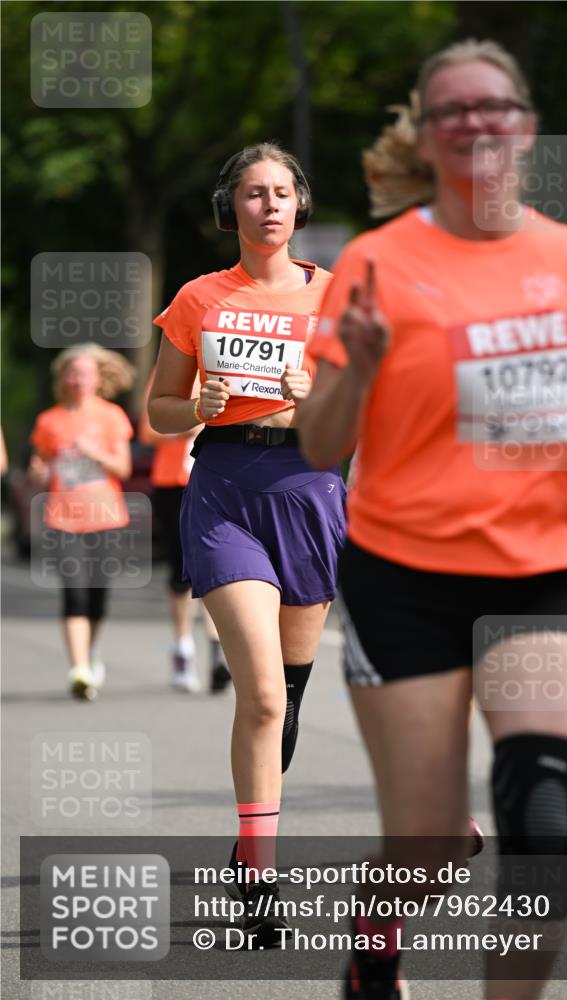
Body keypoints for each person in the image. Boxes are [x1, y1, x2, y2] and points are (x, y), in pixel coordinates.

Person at [298, 38, 567, 1000]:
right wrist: (366, 366)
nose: (475, 122)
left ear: (526, 126)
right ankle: (375, 940)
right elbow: (316, 444)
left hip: (541, 575)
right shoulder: (377, 263)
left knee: (541, 832)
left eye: (492, 106)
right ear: (425, 136)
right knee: (422, 839)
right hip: (403, 580)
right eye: (451, 110)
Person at [148, 142, 347, 944]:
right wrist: (198, 402)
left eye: (282, 193)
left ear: (299, 206)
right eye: (253, 193)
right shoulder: (200, 296)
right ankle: (261, 874)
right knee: (260, 693)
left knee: (289, 697)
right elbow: (158, 410)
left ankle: (244, 845)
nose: (268, 205)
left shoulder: (336, 298)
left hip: (309, 491)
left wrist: (317, 397)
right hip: (225, 487)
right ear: (230, 207)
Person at [29, 344, 136, 701]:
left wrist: (96, 453)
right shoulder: (49, 421)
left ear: (97, 379)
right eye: (72, 373)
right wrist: (38, 472)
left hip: (106, 517)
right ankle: (78, 669)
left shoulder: (111, 416)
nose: (77, 380)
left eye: (85, 374)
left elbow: (124, 469)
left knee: (97, 600)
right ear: (62, 378)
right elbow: (41, 468)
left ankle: (88, 655)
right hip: (63, 519)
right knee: (73, 593)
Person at [139, 370, 231, 694]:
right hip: (174, 482)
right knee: (181, 570)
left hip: (220, 479)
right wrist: (190, 422)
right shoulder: (174, 371)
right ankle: (183, 649)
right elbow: (149, 430)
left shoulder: (231, 367)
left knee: (218, 567)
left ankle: (219, 653)